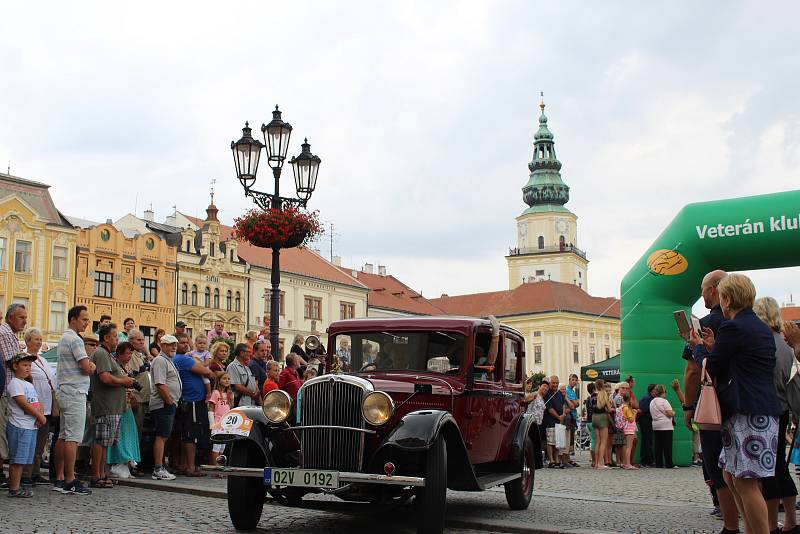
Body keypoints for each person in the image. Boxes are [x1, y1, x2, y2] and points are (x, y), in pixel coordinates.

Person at [697, 273, 781, 534]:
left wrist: (700, 347)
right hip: (760, 409)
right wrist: (715, 346)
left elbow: (711, 367)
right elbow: (738, 361)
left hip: (747, 411)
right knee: (730, 475)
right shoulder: (757, 326)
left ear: (727, 298)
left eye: (721, 296)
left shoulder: (734, 327)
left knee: (746, 482)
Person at [681, 269, 739, 532]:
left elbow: (693, 370)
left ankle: (726, 515)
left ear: (714, 290)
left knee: (715, 460)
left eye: (703, 289)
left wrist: (687, 406)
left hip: (711, 404)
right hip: (739, 401)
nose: (701, 293)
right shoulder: (739, 324)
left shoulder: (702, 324)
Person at [753, 296, 798, 534]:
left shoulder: (764, 342)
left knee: (769, 469)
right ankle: (790, 519)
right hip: (781, 408)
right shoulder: (784, 344)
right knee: (779, 466)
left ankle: (771, 524)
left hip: (766, 409)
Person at [54, 305, 95, 495]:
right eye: (84, 319)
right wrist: (92, 365)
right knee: (73, 437)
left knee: (63, 435)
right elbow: (86, 367)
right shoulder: (76, 340)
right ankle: (70, 480)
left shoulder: (64, 337)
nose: (87, 323)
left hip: (65, 390)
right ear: (73, 319)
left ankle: (60, 477)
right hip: (75, 391)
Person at [89, 323, 135, 489]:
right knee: (101, 441)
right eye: (115, 336)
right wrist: (125, 381)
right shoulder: (101, 353)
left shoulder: (108, 355)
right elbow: (105, 378)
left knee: (106, 443)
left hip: (114, 406)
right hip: (106, 405)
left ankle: (102, 473)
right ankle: (96, 475)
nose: (117, 339)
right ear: (106, 338)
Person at [5, 353, 46, 498]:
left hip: (30, 426)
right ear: (15, 366)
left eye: (29, 365)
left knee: (24, 459)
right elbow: (22, 403)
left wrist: (40, 412)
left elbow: (37, 401)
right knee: (17, 459)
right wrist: (38, 415)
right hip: (20, 425)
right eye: (24, 365)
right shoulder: (15, 383)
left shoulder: (28, 384)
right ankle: (14, 488)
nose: (28, 368)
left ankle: (17, 484)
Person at [173, 332, 213, 476]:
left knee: (185, 434)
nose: (185, 344)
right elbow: (206, 372)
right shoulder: (184, 359)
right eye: (182, 342)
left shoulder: (181, 358)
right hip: (193, 400)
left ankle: (184, 465)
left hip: (188, 399)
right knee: (191, 435)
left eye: (186, 342)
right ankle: (190, 467)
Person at [21, 328, 57, 486]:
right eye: (36, 339)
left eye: (40, 339)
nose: (39, 342)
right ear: (28, 341)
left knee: (40, 442)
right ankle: (26, 474)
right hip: (33, 405)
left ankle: (35, 472)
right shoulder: (24, 358)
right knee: (30, 441)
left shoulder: (43, 360)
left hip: (47, 405)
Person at [0, 303, 28, 489]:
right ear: (10, 318)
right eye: (21, 318)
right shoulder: (5, 334)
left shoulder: (10, 335)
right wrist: (29, 370)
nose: (24, 321)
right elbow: (13, 362)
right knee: (2, 434)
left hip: (8, 391)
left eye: (25, 318)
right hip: (5, 392)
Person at [105, 341, 141, 480]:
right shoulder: (115, 367)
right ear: (119, 353)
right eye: (127, 353)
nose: (130, 356)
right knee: (120, 436)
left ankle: (126, 462)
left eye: (131, 353)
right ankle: (117, 461)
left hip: (127, 406)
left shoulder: (127, 368)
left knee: (129, 434)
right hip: (119, 406)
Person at [149, 334, 182, 481]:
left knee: (164, 436)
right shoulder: (161, 361)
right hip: (163, 404)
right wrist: (169, 401)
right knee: (162, 436)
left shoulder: (168, 360)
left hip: (167, 403)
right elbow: (160, 384)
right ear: (162, 346)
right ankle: (158, 468)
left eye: (175, 344)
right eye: (170, 344)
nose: (174, 346)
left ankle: (160, 466)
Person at [126, 329, 151, 447]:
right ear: (131, 341)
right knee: (133, 431)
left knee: (138, 431)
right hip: (136, 400)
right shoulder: (130, 356)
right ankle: (130, 462)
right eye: (139, 340)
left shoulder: (138, 355)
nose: (142, 342)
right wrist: (132, 398)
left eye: (143, 340)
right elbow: (129, 378)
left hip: (143, 400)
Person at [207, 372, 233, 465]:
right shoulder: (216, 393)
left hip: (226, 425)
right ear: (219, 380)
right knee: (216, 446)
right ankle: (216, 467)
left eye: (228, 379)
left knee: (223, 447)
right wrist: (212, 424)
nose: (227, 380)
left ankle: (220, 467)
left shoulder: (229, 394)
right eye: (224, 378)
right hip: (217, 424)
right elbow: (211, 409)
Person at [649, 384, 675, 469]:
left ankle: (658, 463)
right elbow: (669, 413)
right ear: (663, 392)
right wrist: (674, 413)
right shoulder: (664, 401)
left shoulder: (652, 401)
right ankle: (669, 463)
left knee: (658, 445)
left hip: (656, 425)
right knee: (667, 445)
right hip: (666, 425)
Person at [542, 375, 566, 468]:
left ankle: (556, 460)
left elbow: (563, 404)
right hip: (550, 420)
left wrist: (563, 414)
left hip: (559, 421)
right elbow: (549, 408)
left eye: (556, 383)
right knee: (550, 441)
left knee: (557, 441)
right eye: (553, 383)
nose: (555, 385)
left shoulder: (559, 393)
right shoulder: (548, 393)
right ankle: (551, 460)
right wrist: (558, 416)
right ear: (550, 383)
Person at [228, 343, 260, 407]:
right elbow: (237, 386)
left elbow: (253, 383)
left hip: (251, 403)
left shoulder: (247, 368)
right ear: (242, 353)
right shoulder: (232, 366)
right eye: (248, 352)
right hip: (241, 404)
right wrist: (252, 394)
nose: (250, 354)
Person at [592, 379, 612, 470]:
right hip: (602, 418)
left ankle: (596, 463)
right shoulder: (603, 394)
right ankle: (601, 463)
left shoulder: (592, 395)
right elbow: (609, 408)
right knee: (604, 442)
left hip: (594, 417)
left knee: (598, 441)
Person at [637, 384, 656, 467]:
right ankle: (646, 461)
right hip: (645, 421)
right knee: (646, 441)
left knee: (648, 441)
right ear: (652, 391)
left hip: (647, 421)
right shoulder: (647, 399)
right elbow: (643, 410)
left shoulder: (649, 398)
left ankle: (648, 460)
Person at [621, 389, 638, 470]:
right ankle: (627, 464)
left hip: (626, 428)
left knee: (627, 447)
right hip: (629, 429)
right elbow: (631, 419)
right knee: (629, 447)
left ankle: (625, 463)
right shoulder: (627, 408)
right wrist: (635, 413)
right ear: (630, 399)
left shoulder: (623, 407)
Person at [565, 374, 580, 467]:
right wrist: (575, 403)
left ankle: (569, 458)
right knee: (568, 437)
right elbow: (574, 404)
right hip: (569, 416)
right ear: (569, 380)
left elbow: (577, 403)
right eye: (573, 380)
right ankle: (566, 458)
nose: (574, 381)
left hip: (573, 416)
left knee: (571, 438)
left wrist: (576, 403)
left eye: (576, 380)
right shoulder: (567, 390)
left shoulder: (573, 391)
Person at [584, 382, 596, 467]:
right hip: (592, 421)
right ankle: (594, 460)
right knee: (595, 441)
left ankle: (593, 459)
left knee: (592, 441)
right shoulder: (594, 398)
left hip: (588, 421)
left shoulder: (588, 398)